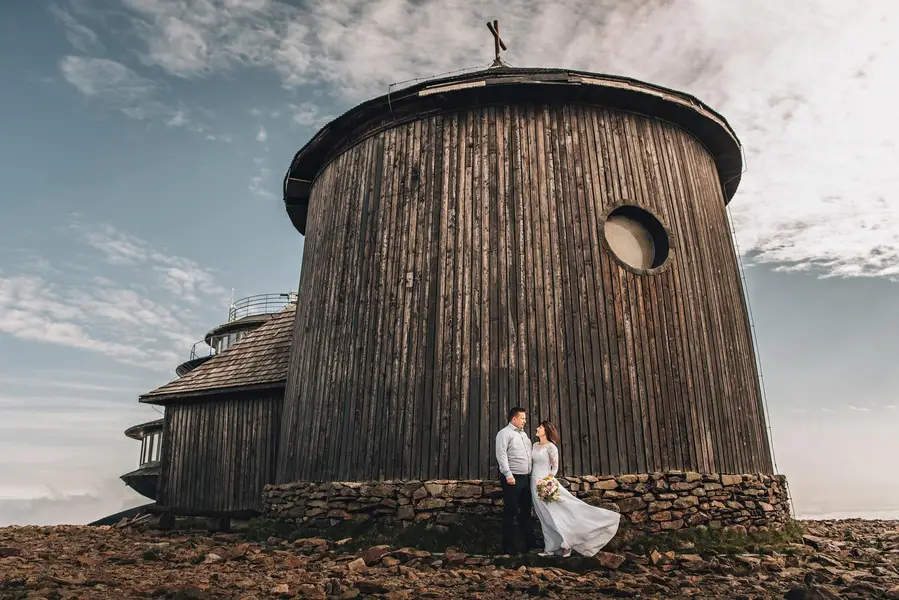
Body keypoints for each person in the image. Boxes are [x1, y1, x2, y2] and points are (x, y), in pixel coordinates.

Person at [531, 421, 620, 557]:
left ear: (547, 431)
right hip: (533, 482)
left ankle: (567, 544)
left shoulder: (551, 447)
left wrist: (546, 482)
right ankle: (551, 548)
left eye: (541, 427)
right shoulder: (534, 445)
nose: (537, 428)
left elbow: (554, 468)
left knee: (555, 514)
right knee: (543, 516)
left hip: (545, 483)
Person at [495, 406, 538, 555]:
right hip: (512, 478)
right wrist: (508, 474)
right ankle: (508, 547)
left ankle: (530, 544)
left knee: (526, 511)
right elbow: (501, 455)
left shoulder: (524, 435)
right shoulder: (504, 433)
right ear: (514, 419)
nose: (525, 421)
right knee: (511, 510)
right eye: (522, 418)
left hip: (526, 478)